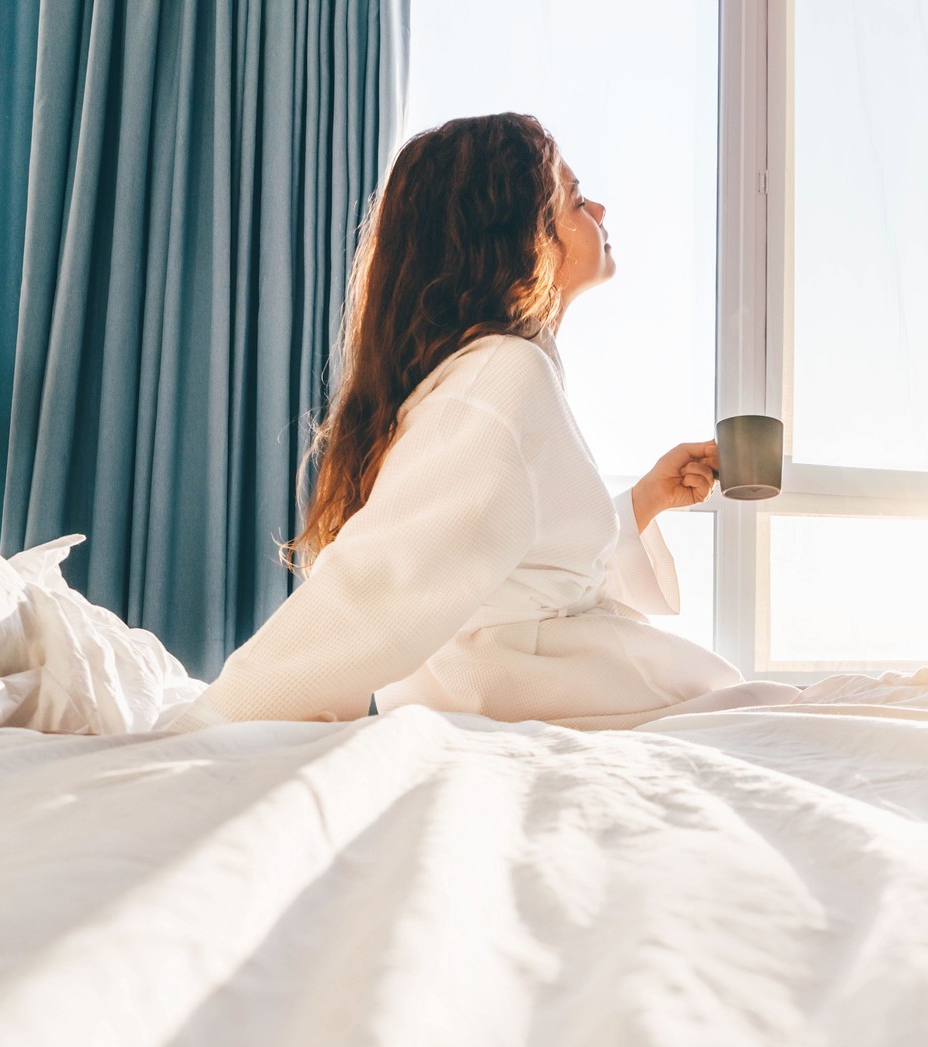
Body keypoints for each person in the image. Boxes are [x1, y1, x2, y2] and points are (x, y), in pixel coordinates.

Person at [169, 112, 803, 732]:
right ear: (520, 238)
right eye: (576, 200)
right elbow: (384, 585)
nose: (600, 213)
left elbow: (517, 581)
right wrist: (209, 726)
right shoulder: (502, 375)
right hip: (550, 710)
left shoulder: (489, 376)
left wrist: (640, 503)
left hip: (553, 700)